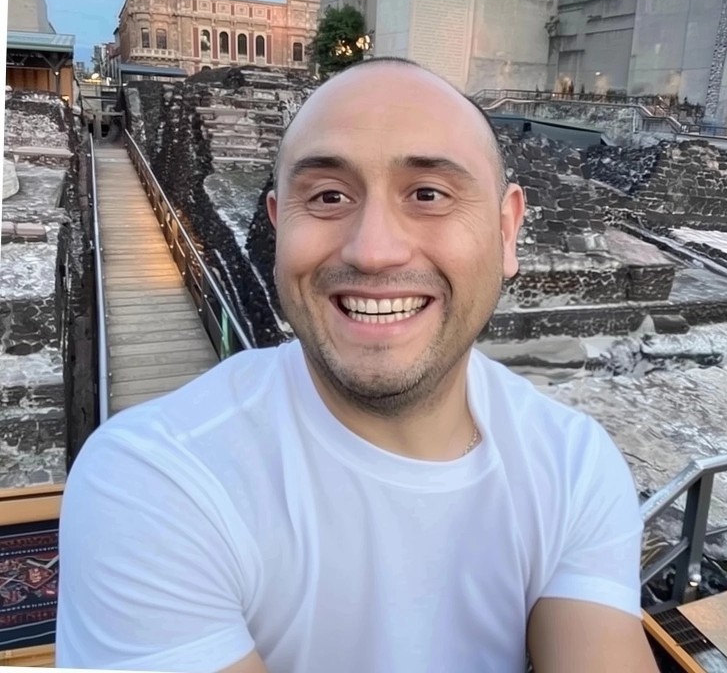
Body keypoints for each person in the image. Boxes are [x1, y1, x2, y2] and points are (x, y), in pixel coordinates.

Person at [56, 58, 659, 673]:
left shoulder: (574, 467)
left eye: (428, 194)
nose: (373, 251)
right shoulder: (153, 482)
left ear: (506, 231)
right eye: (328, 197)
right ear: (278, 228)